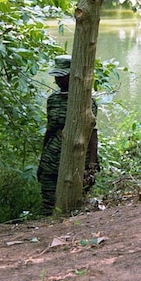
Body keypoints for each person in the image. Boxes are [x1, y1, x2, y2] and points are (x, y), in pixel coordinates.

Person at [37, 55, 99, 214]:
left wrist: (92, 163)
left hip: (77, 158)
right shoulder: (53, 100)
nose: (58, 80)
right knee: (48, 203)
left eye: (62, 76)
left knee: (75, 202)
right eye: (56, 76)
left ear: (73, 75)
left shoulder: (85, 101)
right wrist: (42, 161)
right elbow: (49, 130)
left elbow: (92, 133)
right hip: (52, 158)